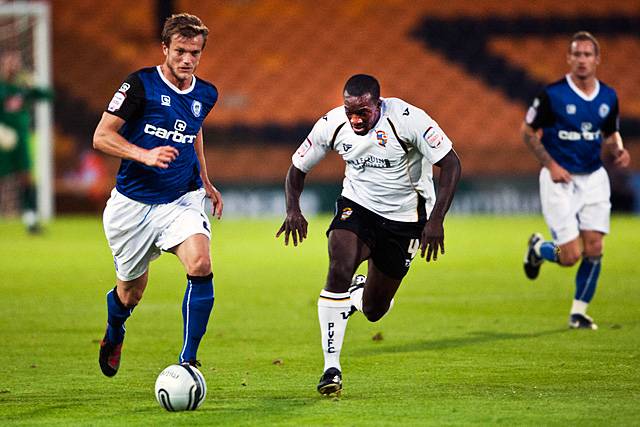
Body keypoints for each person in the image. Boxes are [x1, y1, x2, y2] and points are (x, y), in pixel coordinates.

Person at [276, 74, 461, 395]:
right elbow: (297, 168)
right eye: (350, 111)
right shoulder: (332, 123)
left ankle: (359, 295)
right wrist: (293, 209)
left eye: (363, 111)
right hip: (357, 207)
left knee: (375, 310)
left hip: (406, 219)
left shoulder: (408, 120)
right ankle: (330, 368)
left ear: (379, 104)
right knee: (338, 267)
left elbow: (452, 164)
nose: (356, 118)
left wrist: (436, 219)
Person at [93, 13, 223, 377]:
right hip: (132, 206)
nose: (187, 59)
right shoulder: (140, 85)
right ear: (165, 48)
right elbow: (101, 136)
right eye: (180, 51)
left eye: (194, 53)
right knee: (130, 293)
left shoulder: (206, 93)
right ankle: (115, 330)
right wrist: (144, 154)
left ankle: (188, 359)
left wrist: (206, 180)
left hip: (181, 199)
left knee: (200, 263)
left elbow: (193, 132)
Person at [522, 31, 631, 330]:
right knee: (570, 255)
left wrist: (618, 149)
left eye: (587, 55)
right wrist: (551, 164)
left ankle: (579, 312)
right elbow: (527, 132)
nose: (582, 60)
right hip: (560, 180)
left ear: (597, 60)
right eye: (577, 54)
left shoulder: (608, 96)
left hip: (594, 178)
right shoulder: (552, 94)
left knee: (594, 248)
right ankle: (539, 250)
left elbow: (610, 132)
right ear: (569, 58)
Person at [0, 49, 51, 233]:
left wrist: (34, 82)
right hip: (2, 142)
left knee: (26, 178)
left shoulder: (23, 88)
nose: (12, 66)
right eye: (9, 62)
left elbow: (48, 96)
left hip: (21, 140)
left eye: (16, 62)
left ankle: (31, 220)